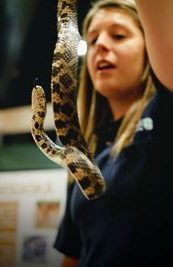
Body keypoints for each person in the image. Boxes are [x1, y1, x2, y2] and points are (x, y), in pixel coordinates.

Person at [53, 0, 173, 266]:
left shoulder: (164, 116)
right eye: (93, 40)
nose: (102, 46)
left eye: (118, 35)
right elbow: (73, 253)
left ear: (149, 46)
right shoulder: (83, 150)